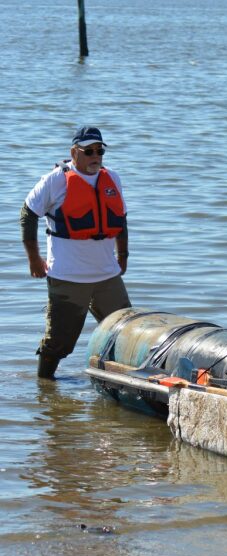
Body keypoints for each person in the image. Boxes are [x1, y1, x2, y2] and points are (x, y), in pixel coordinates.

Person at [20, 126, 132, 380]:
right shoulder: (55, 180)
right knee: (58, 343)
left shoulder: (112, 178)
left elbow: (121, 220)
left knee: (124, 331)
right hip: (68, 277)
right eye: (89, 151)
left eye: (99, 151)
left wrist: (123, 256)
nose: (95, 156)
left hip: (107, 276)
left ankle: (115, 383)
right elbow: (28, 214)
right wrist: (34, 258)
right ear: (74, 152)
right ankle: (46, 391)